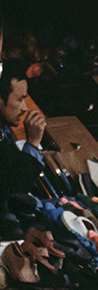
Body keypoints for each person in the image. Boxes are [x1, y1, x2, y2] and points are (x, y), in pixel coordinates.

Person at [0, 59, 47, 198]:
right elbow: (13, 191)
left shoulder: (4, 129)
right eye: (20, 99)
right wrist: (32, 144)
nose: (24, 108)